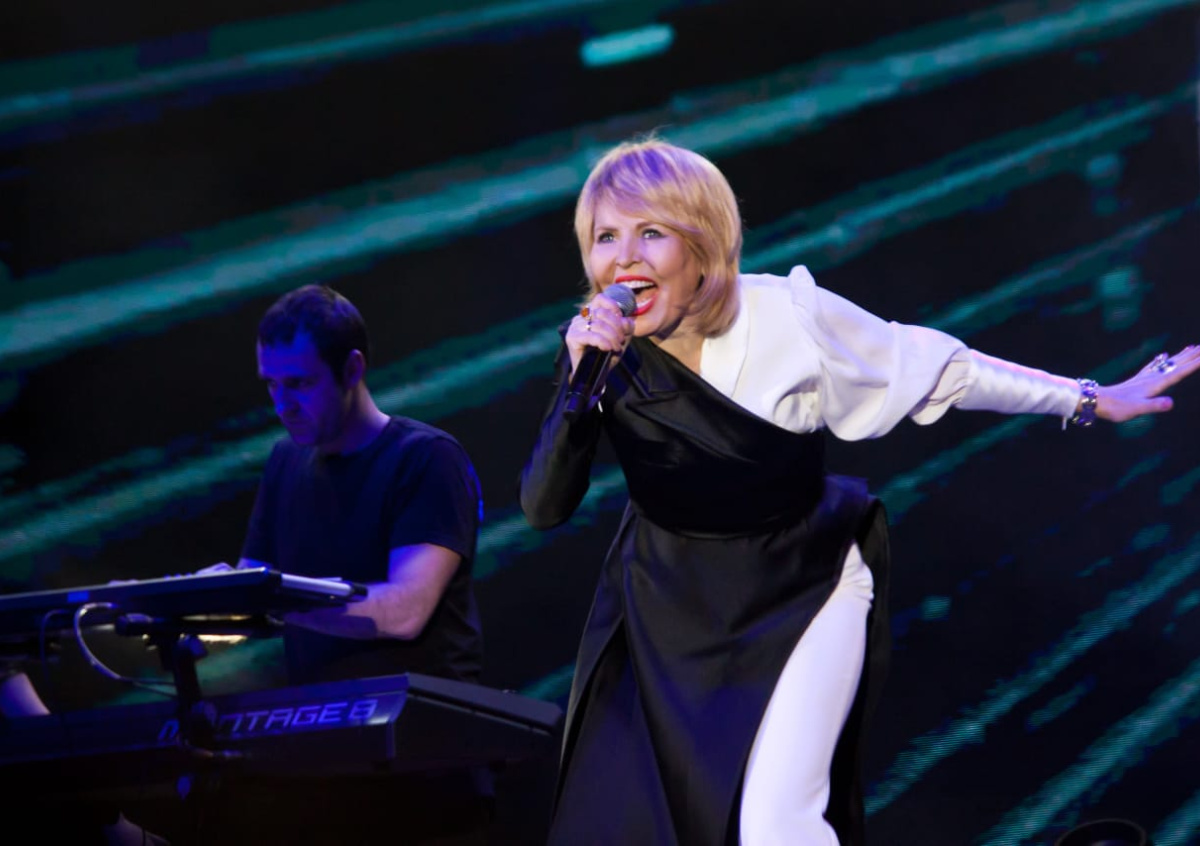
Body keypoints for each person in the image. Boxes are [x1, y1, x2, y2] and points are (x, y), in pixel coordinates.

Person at [517, 137, 1200, 846]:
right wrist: (578, 384)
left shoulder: (786, 318)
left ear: (703, 243)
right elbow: (543, 506)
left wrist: (1090, 398)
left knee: (774, 825)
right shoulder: (600, 355)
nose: (624, 259)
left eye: (651, 233)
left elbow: (941, 369)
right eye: (606, 237)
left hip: (803, 584)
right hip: (666, 601)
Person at [204, 284, 491, 845]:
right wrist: (183, 607)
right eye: (271, 385)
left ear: (353, 368)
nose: (282, 404)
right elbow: (251, 599)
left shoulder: (426, 458)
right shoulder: (284, 462)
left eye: (299, 384)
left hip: (424, 766)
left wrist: (271, 601)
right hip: (323, 765)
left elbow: (404, 611)